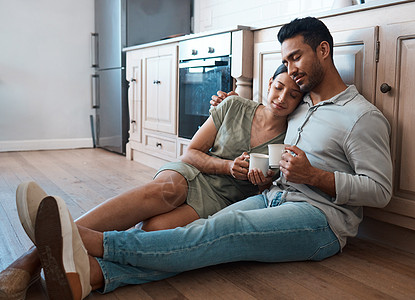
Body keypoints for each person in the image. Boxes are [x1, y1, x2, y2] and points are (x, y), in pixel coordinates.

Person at [6, 16, 393, 300]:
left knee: (222, 232)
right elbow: (267, 112)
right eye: (286, 63)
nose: (291, 72)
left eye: (295, 58)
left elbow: (380, 191)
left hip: (320, 220)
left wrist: (315, 177)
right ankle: (89, 276)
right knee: (201, 240)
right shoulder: (303, 104)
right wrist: (230, 108)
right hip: (274, 197)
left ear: (322, 50)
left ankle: (87, 239)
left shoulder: (361, 116)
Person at [0, 65, 302, 300]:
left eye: (293, 94)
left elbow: (267, 193)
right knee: (168, 191)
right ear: (268, 84)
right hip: (194, 172)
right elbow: (192, 152)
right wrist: (227, 165)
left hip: (222, 198)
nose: (282, 98)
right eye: (278, 87)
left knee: (156, 230)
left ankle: (74, 255)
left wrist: (257, 180)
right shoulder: (233, 107)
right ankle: (32, 258)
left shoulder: (291, 137)